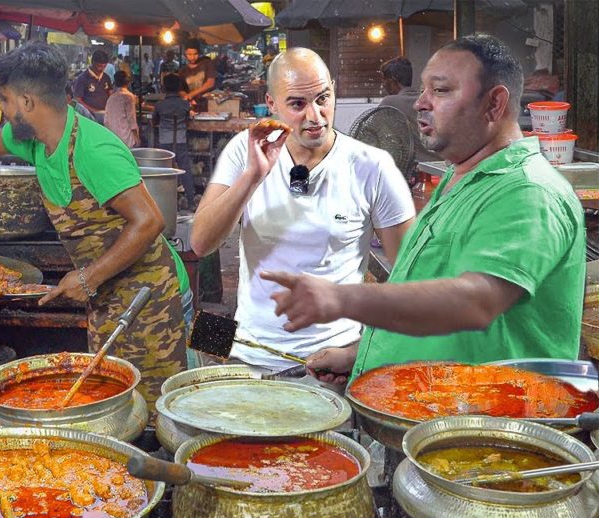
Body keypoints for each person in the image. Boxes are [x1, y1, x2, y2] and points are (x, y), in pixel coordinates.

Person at [262, 35, 584, 386]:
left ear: (494, 104)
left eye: (441, 91)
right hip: (419, 413)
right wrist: (362, 355)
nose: (420, 104)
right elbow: (431, 300)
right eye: (424, 90)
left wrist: (341, 298)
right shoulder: (458, 179)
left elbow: (475, 303)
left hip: (483, 427)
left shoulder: (526, 192)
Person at [0, 42, 195, 405]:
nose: (1, 110)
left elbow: (149, 221)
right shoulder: (36, 142)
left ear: (27, 103)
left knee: (158, 407)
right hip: (112, 296)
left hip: (155, 296)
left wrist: (87, 277)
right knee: (115, 397)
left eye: (4, 99)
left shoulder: (93, 151)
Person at [189, 47, 416, 373]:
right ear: (271, 104)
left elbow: (411, 276)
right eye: (297, 104)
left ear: (333, 89)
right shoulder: (245, 149)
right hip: (251, 350)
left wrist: (362, 352)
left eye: (323, 99)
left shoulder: (371, 166)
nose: (315, 116)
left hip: (332, 362)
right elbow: (201, 242)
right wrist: (253, 176)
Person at [379, 56, 439, 164]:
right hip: (440, 165)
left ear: (393, 80)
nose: (383, 85)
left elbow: (373, 134)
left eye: (384, 80)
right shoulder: (430, 100)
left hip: (416, 170)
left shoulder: (389, 103)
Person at [151, 74, 196, 208]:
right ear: (179, 87)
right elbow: (188, 121)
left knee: (164, 172)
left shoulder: (160, 105)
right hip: (181, 140)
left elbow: (154, 121)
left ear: (164, 87)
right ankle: (191, 201)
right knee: (185, 170)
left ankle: (164, 202)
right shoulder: (184, 104)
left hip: (165, 142)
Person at [72, 50, 113, 123]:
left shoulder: (106, 77)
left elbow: (110, 94)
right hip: (89, 117)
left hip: (105, 115)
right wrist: (93, 111)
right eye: (99, 66)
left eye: (104, 66)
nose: (102, 69)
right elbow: (78, 100)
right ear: (93, 62)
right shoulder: (83, 78)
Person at [104, 71, 139, 148]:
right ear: (128, 82)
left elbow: (106, 120)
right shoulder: (129, 97)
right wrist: (136, 137)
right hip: (126, 137)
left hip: (113, 137)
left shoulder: (111, 98)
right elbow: (131, 119)